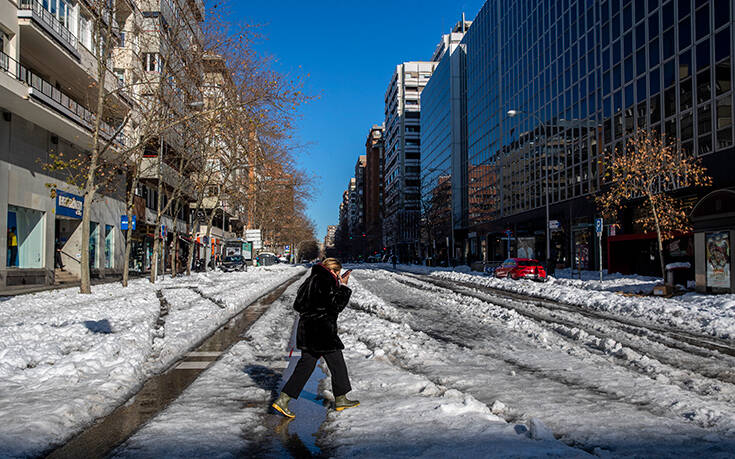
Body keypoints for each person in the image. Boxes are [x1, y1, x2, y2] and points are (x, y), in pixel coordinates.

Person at [272, 258, 359, 418]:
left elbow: (298, 305)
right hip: (322, 330)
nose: (339, 276)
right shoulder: (326, 281)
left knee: (306, 365)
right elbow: (335, 306)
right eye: (338, 272)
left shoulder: (311, 280)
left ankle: (283, 400)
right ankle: (341, 399)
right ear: (333, 270)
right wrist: (344, 287)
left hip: (307, 328)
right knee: (337, 363)